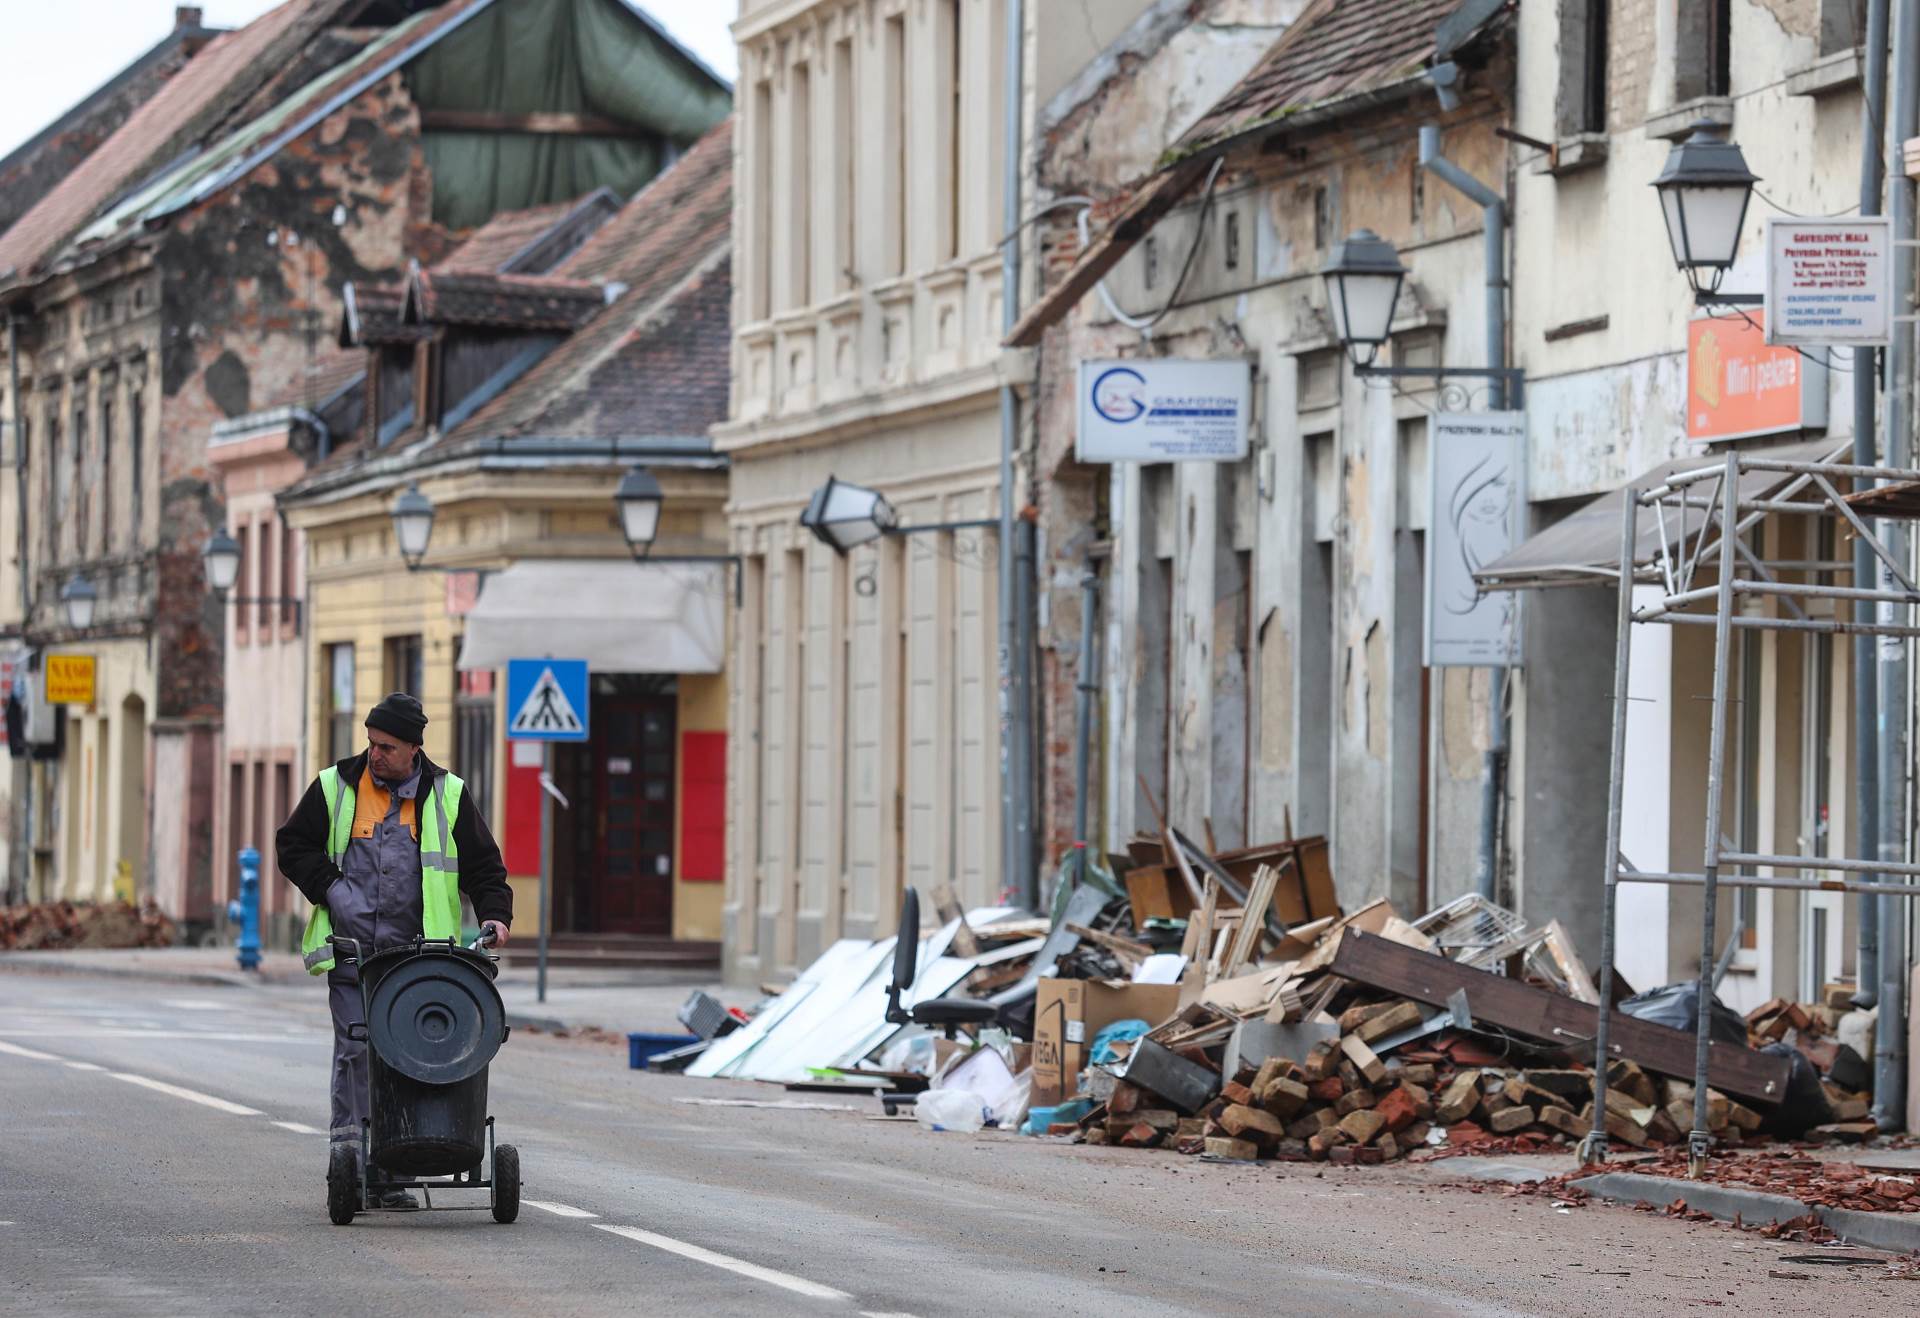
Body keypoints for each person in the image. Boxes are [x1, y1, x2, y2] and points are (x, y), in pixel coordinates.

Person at [277, 692, 512, 1207]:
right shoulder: (335, 786)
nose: (375, 754)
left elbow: (484, 867)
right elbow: (292, 846)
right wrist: (335, 892)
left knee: (414, 1057)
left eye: (386, 747)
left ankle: (395, 1166)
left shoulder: (448, 794)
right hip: (354, 957)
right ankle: (353, 1160)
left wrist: (496, 915)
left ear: (414, 748)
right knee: (359, 1052)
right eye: (371, 743)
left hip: (421, 959)